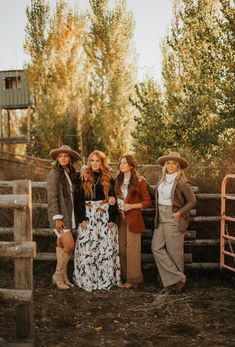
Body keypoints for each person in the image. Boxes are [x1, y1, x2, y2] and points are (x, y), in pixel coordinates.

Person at [73, 150, 121, 291]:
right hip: (88, 215)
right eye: (92, 160)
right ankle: (88, 279)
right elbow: (78, 199)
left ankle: (104, 280)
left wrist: (112, 217)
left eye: (97, 161)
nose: (94, 163)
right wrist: (82, 218)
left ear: (102, 163)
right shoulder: (82, 176)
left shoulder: (108, 178)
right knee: (87, 246)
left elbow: (112, 199)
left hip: (104, 215)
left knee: (104, 247)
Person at [151, 151, 196, 294]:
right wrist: (143, 183)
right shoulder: (162, 181)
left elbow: (192, 202)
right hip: (161, 218)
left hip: (173, 217)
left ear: (178, 166)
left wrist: (179, 213)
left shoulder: (182, 183)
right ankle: (178, 278)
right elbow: (156, 195)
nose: (170, 165)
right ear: (165, 165)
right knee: (156, 247)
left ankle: (177, 285)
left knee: (174, 252)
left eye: (174, 163)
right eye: (168, 163)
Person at [115, 154, 151, 289]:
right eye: (120, 163)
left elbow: (147, 202)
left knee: (133, 250)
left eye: (124, 163)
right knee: (122, 249)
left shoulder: (139, 181)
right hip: (121, 218)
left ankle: (134, 280)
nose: (121, 165)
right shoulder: (117, 180)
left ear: (131, 165)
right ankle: (125, 276)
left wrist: (132, 206)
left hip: (134, 217)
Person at [47, 144, 80, 290]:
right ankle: (57, 275)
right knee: (69, 245)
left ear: (70, 159)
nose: (63, 158)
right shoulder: (54, 174)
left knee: (61, 246)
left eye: (66, 156)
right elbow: (52, 197)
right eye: (60, 156)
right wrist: (57, 218)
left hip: (69, 214)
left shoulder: (71, 173)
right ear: (57, 159)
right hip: (59, 216)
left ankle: (64, 278)